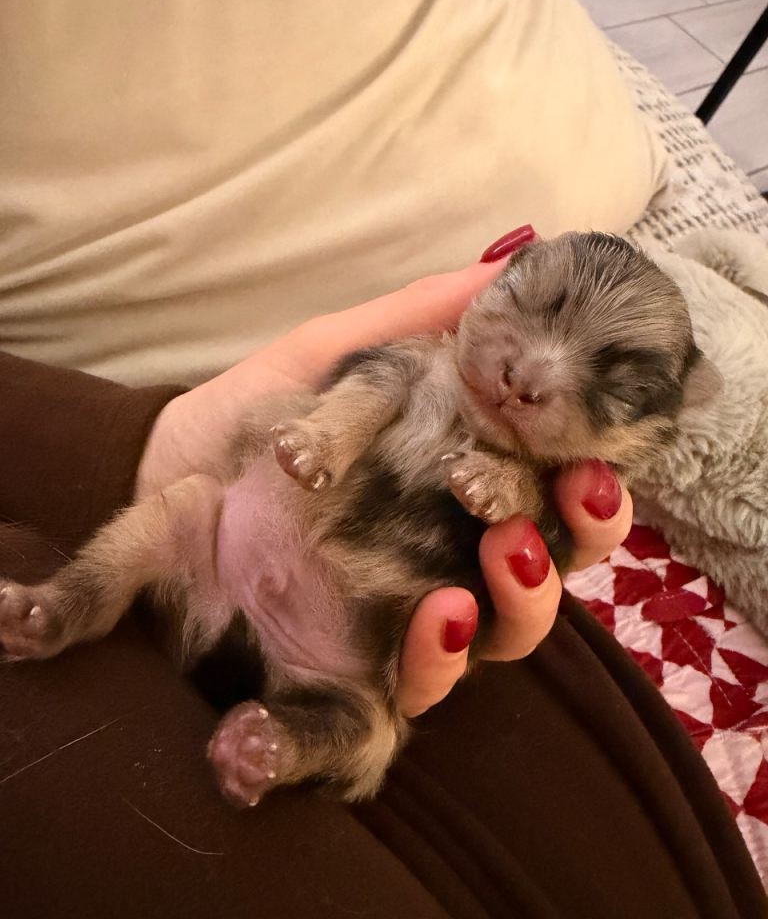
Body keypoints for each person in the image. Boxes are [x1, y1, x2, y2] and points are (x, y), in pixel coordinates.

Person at [0, 242, 764, 918]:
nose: (531, 372)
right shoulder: (426, 361)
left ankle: (293, 742)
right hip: (218, 544)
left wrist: (517, 488)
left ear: (654, 432)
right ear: (498, 279)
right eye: (526, 299)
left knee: (370, 726)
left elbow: (533, 531)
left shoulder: (548, 486)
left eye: (617, 388)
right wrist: (325, 435)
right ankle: (65, 605)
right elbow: (368, 388)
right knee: (181, 508)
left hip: (339, 645)